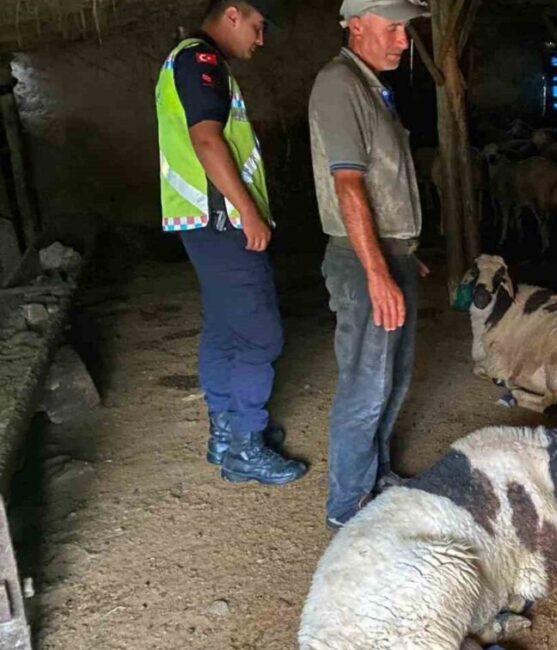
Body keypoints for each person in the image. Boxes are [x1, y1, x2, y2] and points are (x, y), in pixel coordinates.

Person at [155, 0, 307, 485]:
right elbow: (206, 140)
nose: (260, 40)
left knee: (224, 326)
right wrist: (247, 210)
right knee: (260, 333)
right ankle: (245, 445)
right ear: (234, 12)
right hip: (221, 219)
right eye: (259, 27)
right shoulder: (201, 60)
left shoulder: (184, 58)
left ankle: (225, 433)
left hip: (198, 220)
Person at [308, 0, 430, 529]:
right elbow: (348, 184)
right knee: (367, 382)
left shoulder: (371, 87)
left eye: (406, 29)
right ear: (357, 25)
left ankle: (375, 478)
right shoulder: (338, 85)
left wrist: (401, 254)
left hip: (387, 254)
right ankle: (347, 508)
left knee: (392, 378)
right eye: (394, 28)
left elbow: (383, 184)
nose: (404, 40)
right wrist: (378, 271)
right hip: (363, 262)